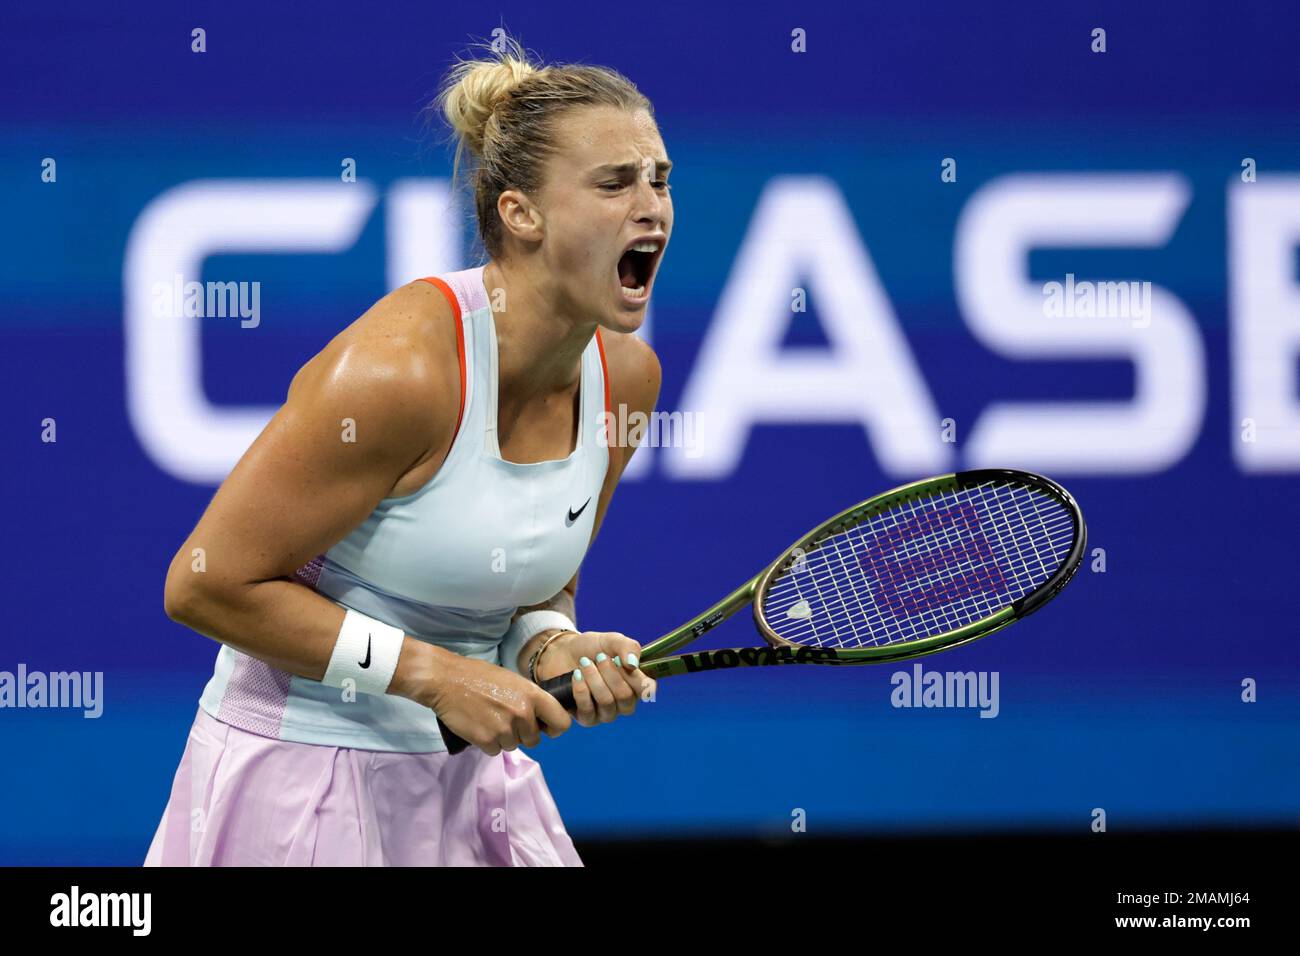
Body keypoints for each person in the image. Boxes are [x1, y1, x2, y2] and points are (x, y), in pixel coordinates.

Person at [144, 38, 672, 866]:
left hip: (470, 783)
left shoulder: (629, 381)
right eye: (615, 184)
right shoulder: (398, 374)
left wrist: (547, 644)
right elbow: (204, 584)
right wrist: (437, 676)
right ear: (521, 214)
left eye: (659, 179)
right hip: (301, 781)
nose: (652, 209)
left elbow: (536, 582)